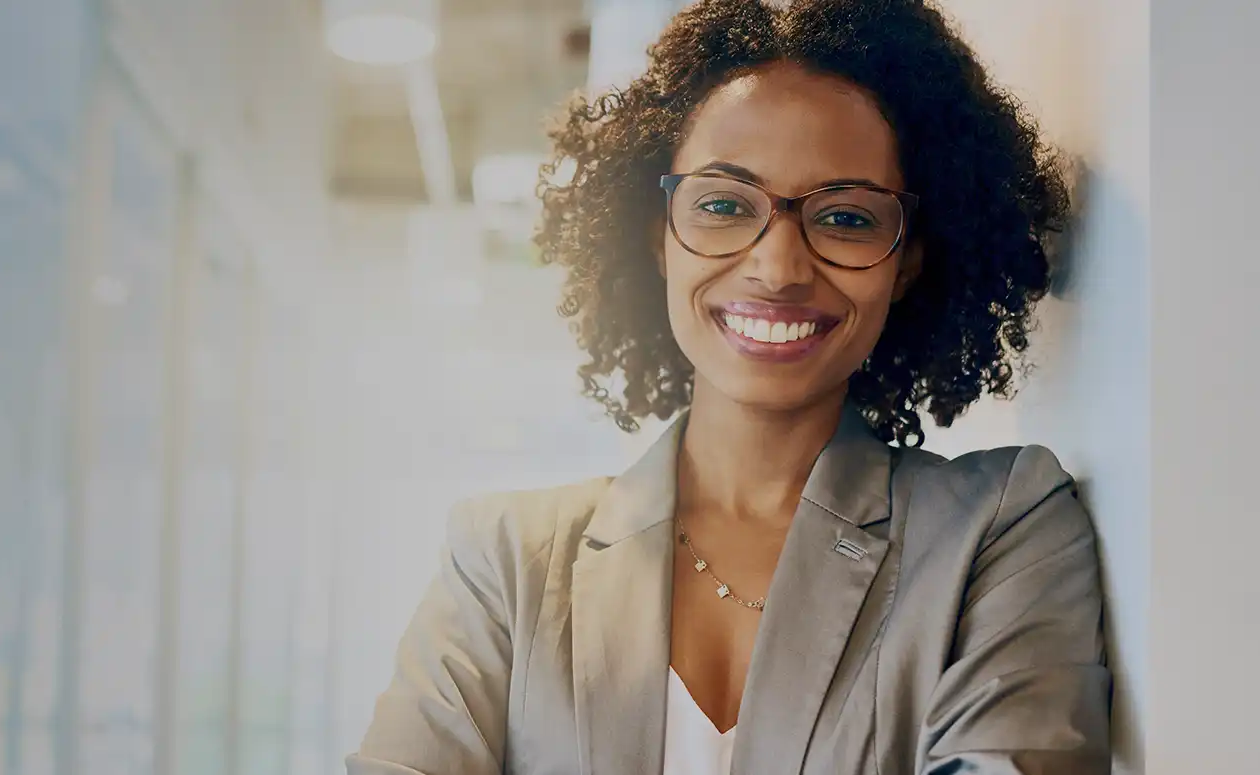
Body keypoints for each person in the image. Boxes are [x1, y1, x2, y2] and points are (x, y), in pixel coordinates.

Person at [346, 0, 1112, 773]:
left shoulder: (1002, 530)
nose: (777, 268)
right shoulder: (508, 563)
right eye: (722, 204)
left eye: (845, 217)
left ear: (908, 260)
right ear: (655, 235)